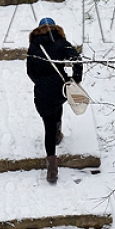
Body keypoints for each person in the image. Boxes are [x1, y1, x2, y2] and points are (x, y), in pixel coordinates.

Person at [26, 17, 83, 184]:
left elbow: (30, 71)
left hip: (43, 90)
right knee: (57, 104)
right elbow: (76, 59)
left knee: (48, 122)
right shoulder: (60, 41)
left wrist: (41, 81)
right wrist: (76, 78)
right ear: (54, 27)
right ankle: (57, 133)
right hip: (60, 87)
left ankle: (52, 166)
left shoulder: (34, 45)